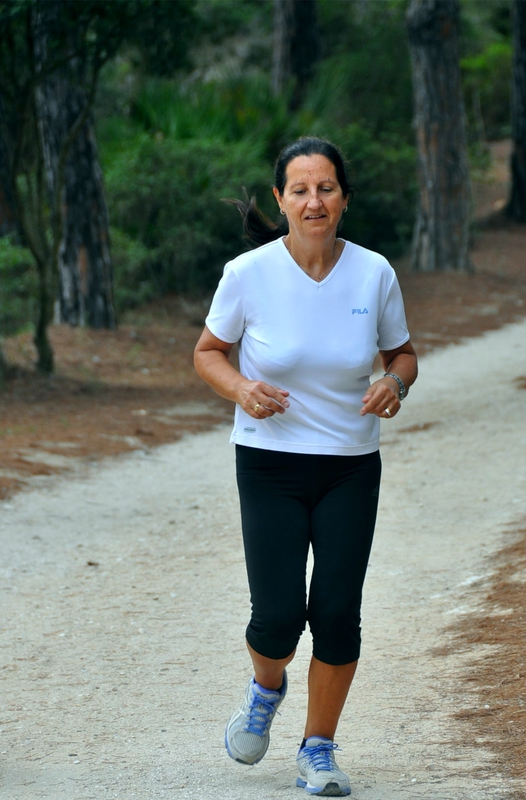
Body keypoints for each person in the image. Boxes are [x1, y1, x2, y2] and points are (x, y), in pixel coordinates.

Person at [194, 136, 418, 797]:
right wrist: (240, 389)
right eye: (300, 189)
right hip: (268, 463)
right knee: (276, 618)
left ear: (344, 198)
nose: (313, 200)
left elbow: (402, 354)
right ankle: (266, 688)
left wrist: (395, 385)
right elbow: (209, 351)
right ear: (280, 199)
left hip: (349, 464)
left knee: (337, 613)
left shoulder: (373, 273)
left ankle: (316, 749)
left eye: (325, 188)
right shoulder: (248, 274)